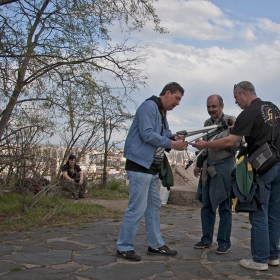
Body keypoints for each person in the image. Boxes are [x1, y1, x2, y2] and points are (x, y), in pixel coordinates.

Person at [190, 81, 280, 271]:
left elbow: (231, 140)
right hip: (278, 164)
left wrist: (204, 145)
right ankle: (273, 256)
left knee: (259, 213)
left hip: (263, 167)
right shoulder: (272, 108)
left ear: (244, 93)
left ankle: (260, 259)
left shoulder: (250, 111)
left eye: (236, 97)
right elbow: (261, 130)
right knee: (274, 213)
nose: (236, 101)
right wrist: (238, 126)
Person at [116, 82, 188, 262]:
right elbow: (147, 134)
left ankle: (155, 244)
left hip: (151, 167)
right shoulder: (149, 106)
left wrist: (173, 137)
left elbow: (164, 133)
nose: (178, 103)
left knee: (153, 206)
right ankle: (124, 246)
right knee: (137, 207)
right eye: (177, 98)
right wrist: (172, 144)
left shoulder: (161, 111)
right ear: (167, 93)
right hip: (140, 166)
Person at [193, 95, 239, 254]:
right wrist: (199, 164)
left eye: (214, 106)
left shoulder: (230, 121)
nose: (211, 110)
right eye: (208, 107)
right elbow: (205, 147)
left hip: (225, 165)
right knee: (206, 204)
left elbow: (235, 144)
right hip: (209, 166)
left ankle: (224, 242)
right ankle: (206, 239)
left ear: (221, 106)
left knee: (224, 206)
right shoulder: (207, 124)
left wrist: (219, 145)